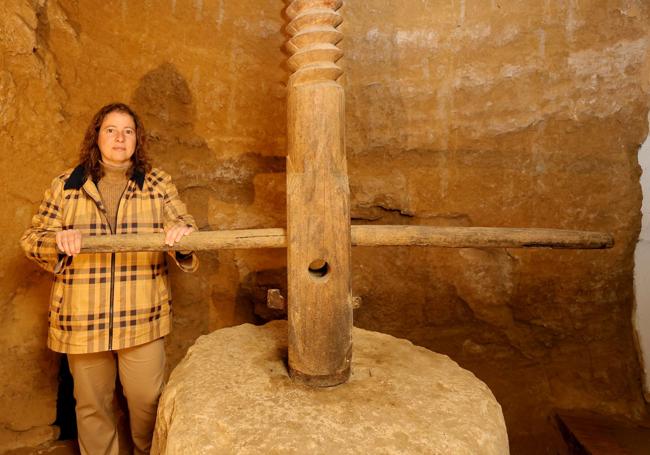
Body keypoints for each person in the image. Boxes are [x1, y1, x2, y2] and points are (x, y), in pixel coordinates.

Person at [21, 102, 199, 455]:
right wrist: (56, 240)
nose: (120, 137)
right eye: (111, 130)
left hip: (142, 316)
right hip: (82, 318)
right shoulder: (66, 185)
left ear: (137, 140)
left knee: (147, 402)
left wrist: (182, 235)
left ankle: (147, 451)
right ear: (97, 136)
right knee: (92, 407)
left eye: (128, 131)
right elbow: (32, 238)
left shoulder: (157, 183)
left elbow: (187, 227)